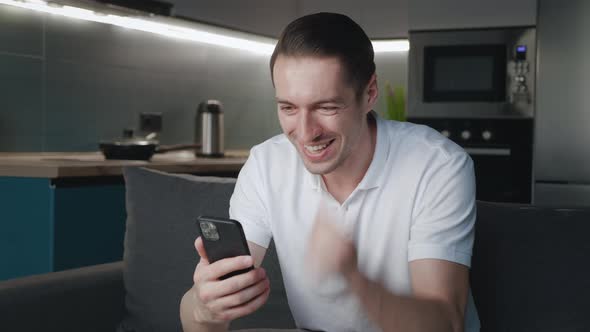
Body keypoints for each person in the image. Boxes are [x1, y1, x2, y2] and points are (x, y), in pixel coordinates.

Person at [180, 12, 480, 332]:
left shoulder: (438, 166)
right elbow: (199, 317)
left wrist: (355, 279)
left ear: (369, 93)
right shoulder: (266, 164)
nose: (307, 133)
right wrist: (204, 308)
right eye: (289, 108)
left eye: (327, 107)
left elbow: (446, 323)